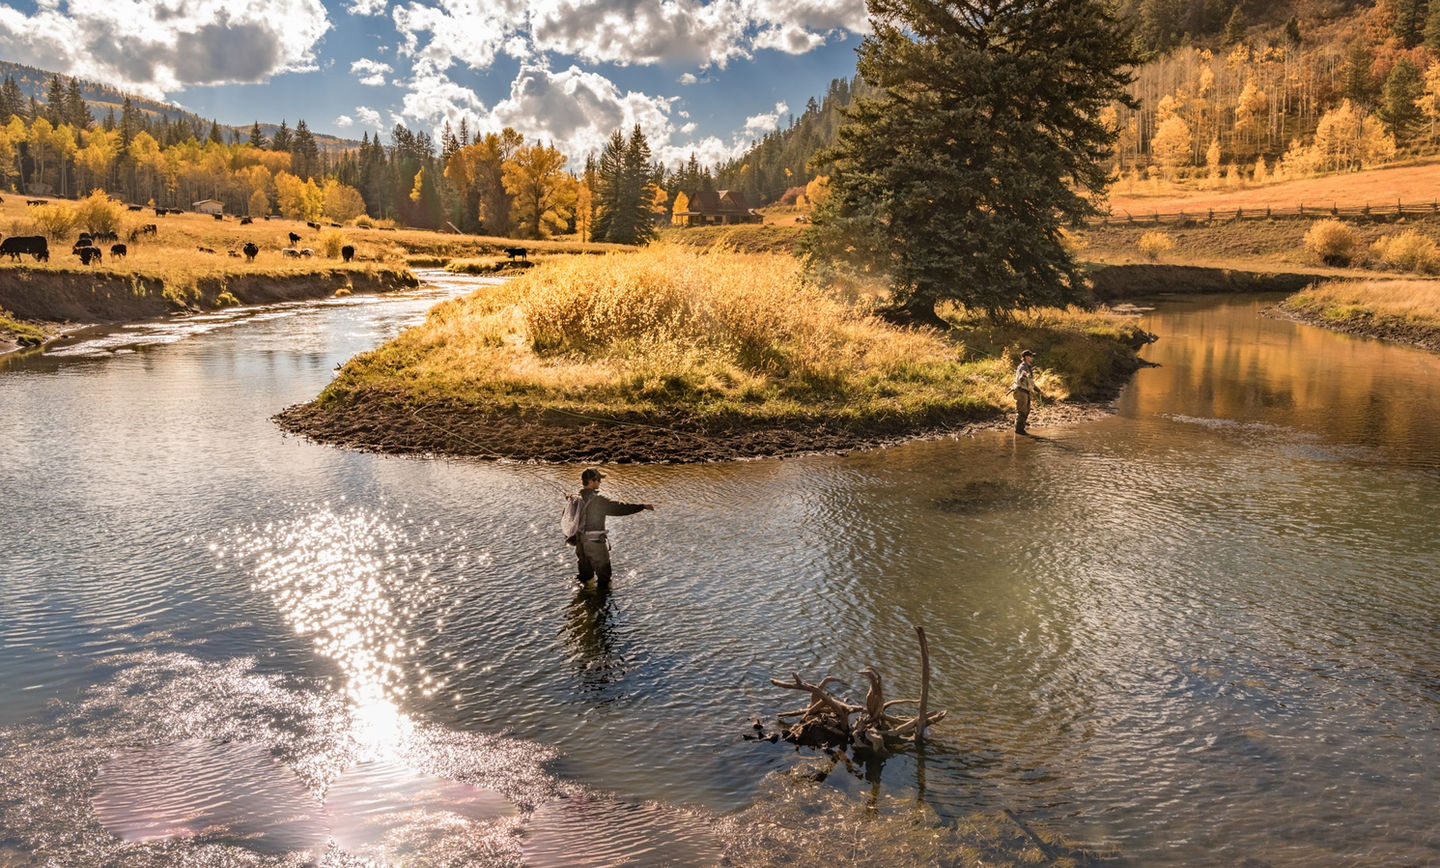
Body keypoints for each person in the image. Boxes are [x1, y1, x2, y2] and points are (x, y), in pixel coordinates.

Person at [573, 468, 654, 587]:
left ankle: (586, 602)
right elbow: (619, 508)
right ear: (591, 481)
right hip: (595, 543)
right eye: (599, 480)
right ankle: (603, 603)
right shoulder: (598, 501)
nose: (600, 482)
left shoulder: (575, 499)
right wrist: (641, 506)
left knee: (585, 579)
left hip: (579, 543)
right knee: (604, 579)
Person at [1009, 349, 1043, 435]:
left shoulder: (1029, 367)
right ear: (1026, 357)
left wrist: (1038, 390)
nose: (1032, 358)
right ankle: (1018, 431)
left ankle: (1021, 430)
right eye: (1031, 356)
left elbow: (1031, 383)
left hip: (1026, 392)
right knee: (1021, 412)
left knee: (1027, 411)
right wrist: (1022, 375)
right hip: (1020, 392)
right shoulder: (1022, 367)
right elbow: (1020, 378)